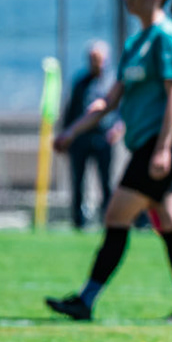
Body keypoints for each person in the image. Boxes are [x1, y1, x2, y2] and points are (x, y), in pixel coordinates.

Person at [45, 0, 172, 323]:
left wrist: (163, 148)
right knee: (170, 223)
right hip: (146, 144)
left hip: (160, 143)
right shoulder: (136, 42)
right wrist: (72, 132)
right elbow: (110, 101)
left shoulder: (167, 36)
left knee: (116, 215)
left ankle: (85, 300)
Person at [61, 42, 121, 230]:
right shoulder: (80, 82)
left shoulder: (113, 82)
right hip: (81, 139)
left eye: (100, 59)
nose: (96, 63)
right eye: (93, 59)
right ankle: (78, 221)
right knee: (78, 181)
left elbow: (123, 110)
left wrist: (118, 128)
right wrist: (66, 136)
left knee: (106, 181)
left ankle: (108, 219)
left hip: (103, 139)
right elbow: (71, 112)